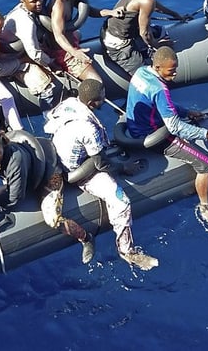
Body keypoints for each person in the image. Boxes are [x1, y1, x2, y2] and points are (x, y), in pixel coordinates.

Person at [44, 78, 158, 270]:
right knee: (121, 202)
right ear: (91, 103)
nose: (104, 101)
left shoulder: (68, 104)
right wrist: (123, 168)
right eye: (101, 99)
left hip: (57, 159)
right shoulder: (88, 127)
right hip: (78, 171)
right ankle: (127, 251)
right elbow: (100, 163)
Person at [125, 47, 208, 231]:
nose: (174, 75)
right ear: (158, 67)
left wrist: (185, 111)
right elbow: (174, 127)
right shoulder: (160, 88)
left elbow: (160, 103)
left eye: (175, 69)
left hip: (134, 126)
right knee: (205, 165)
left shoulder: (141, 72)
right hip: (152, 135)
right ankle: (205, 207)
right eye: (170, 71)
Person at [0, 129, 97, 264]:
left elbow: (15, 198)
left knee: (53, 219)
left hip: (48, 176)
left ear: (4, 148)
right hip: (26, 174)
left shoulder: (15, 160)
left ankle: (86, 238)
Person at [41, 0, 123, 82]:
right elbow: (58, 35)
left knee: (78, 33)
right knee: (96, 81)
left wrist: (110, 12)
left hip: (71, 38)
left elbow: (88, 10)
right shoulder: (58, 6)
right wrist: (74, 52)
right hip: (62, 52)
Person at [103, 0, 187, 76]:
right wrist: (157, 46)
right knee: (145, 75)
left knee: (157, 31)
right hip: (116, 43)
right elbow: (144, 33)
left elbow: (154, 5)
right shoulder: (147, 1)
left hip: (108, 28)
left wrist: (175, 14)